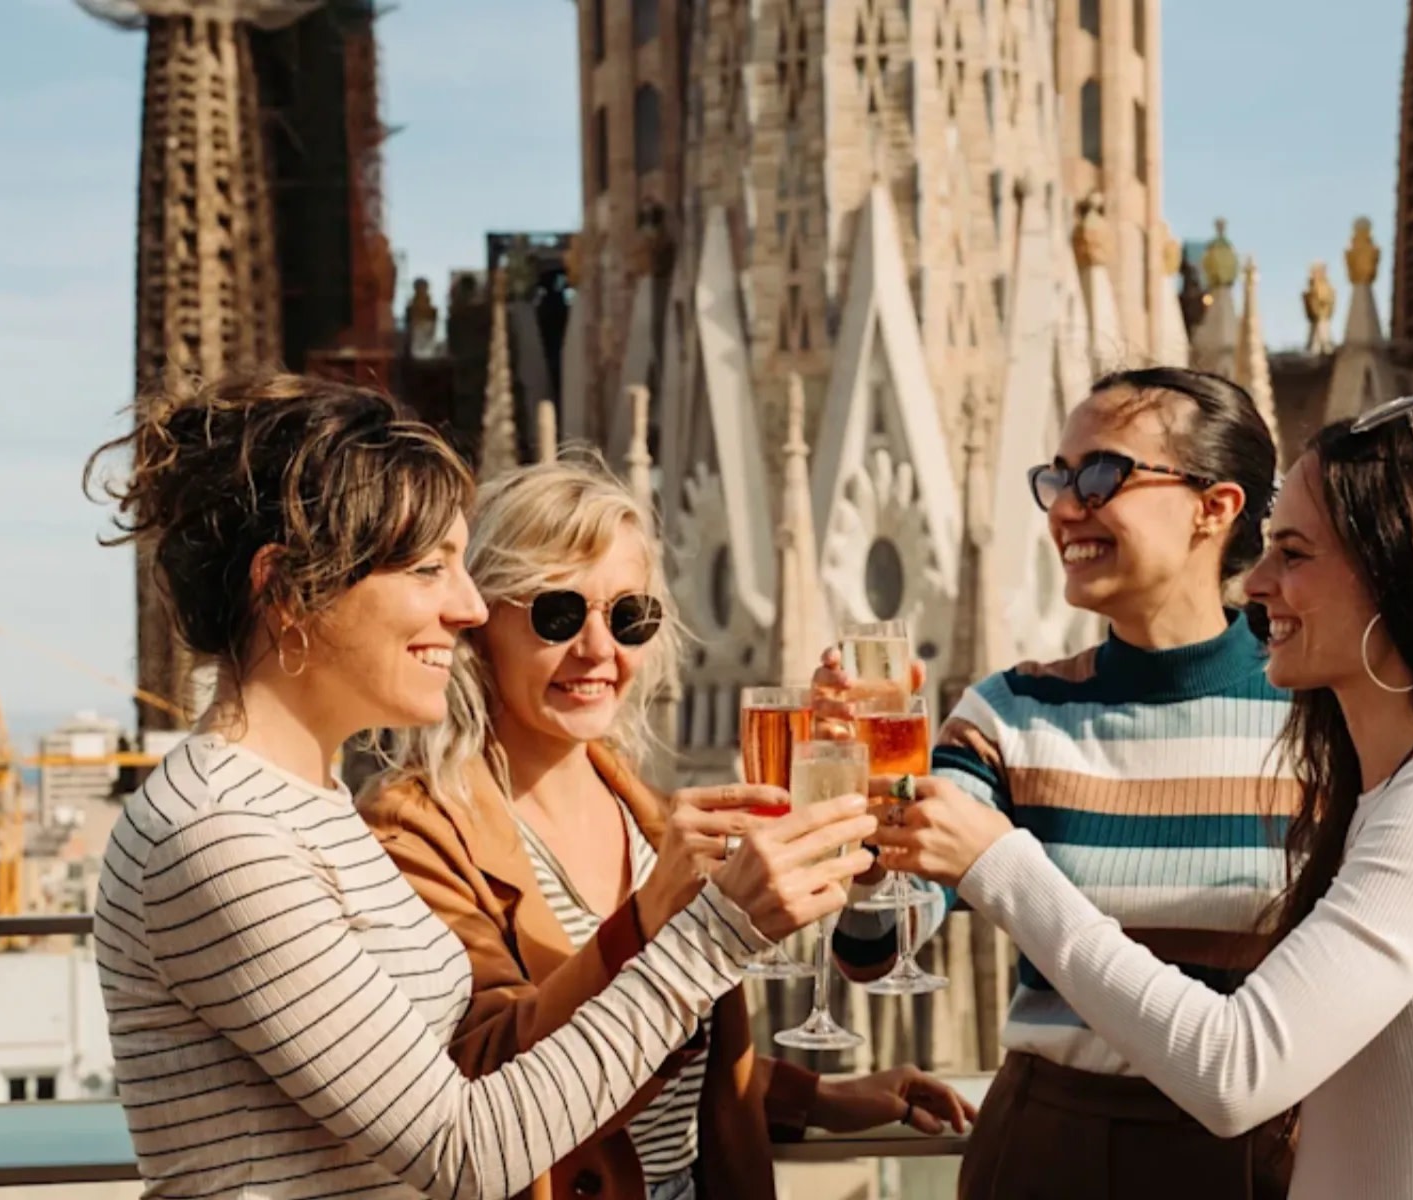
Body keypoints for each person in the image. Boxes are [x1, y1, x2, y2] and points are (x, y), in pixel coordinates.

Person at [85, 374, 877, 1200]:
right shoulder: (222, 836)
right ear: (286, 591)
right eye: (430, 569)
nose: (467, 609)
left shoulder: (301, 803)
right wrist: (716, 933)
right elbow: (467, 1151)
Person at [873, 399, 1413, 1200]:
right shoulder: (1407, 787)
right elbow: (877, 936)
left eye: (1295, 553)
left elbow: (1235, 1068)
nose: (1260, 582)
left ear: (1396, 573)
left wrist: (1002, 866)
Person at [365, 459, 974, 1200]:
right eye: (558, 614)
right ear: (479, 621)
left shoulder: (648, 813)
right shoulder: (415, 827)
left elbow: (677, 1039)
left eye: (628, 617)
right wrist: (656, 913)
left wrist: (819, 1099)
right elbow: (485, 1081)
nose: (598, 650)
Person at [819, 367, 1296, 1199]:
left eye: (1103, 475)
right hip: (1049, 1148)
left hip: (1255, 1154)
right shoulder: (1013, 709)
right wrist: (869, 829)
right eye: (1057, 478)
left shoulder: (1317, 714)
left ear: (1214, 509)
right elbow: (879, 950)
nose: (1067, 507)